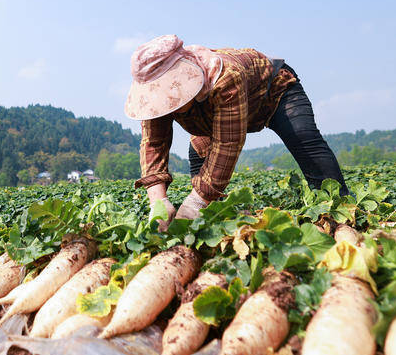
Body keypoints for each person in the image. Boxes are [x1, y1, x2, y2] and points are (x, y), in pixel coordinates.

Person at [125, 34, 347, 226]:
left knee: (303, 138)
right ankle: (211, 218)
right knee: (199, 152)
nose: (169, 105)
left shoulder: (225, 76)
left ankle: (339, 206)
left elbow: (227, 144)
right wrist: (158, 201)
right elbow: (153, 143)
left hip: (274, 93)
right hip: (211, 114)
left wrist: (195, 202)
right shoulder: (153, 101)